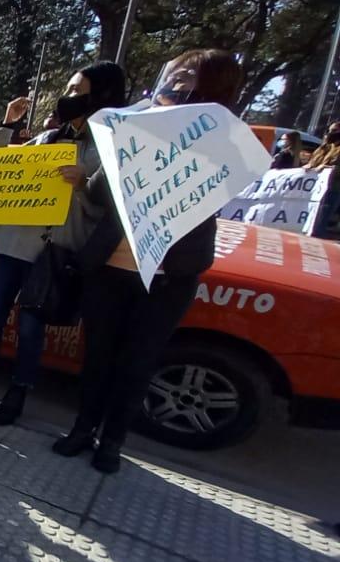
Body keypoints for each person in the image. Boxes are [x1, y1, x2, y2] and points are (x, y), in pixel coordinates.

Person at [54, 49, 243, 473]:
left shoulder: (225, 145)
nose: (172, 88)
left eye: (184, 81)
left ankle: (112, 442)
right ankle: (83, 429)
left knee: (137, 362)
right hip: (110, 268)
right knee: (98, 356)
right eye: (173, 79)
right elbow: (102, 194)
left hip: (167, 278)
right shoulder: (135, 128)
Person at [0, 61, 127, 425]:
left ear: (100, 96)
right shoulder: (49, 138)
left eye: (76, 91)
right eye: (66, 90)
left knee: (31, 327)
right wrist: (7, 124)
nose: (67, 98)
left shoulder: (109, 149)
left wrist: (86, 183)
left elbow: (112, 207)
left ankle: (19, 390)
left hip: (50, 252)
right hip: (11, 242)